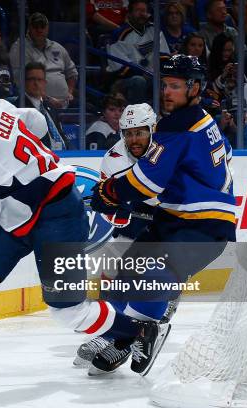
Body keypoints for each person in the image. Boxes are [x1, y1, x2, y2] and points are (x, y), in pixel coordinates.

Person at [0, 75, 154, 377]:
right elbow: (36, 121)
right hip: (17, 215)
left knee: (68, 310)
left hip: (59, 215)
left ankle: (137, 331)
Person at [84, 54, 236, 375]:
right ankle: (127, 338)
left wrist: (109, 193)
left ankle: (148, 329)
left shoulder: (177, 126)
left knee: (155, 272)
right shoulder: (202, 118)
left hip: (200, 225)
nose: (167, 91)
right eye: (165, 85)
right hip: (181, 217)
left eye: (176, 86)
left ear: (194, 87)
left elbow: (145, 181)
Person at [74, 103, 158, 369]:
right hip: (137, 213)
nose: (133, 139)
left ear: (153, 130)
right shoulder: (113, 158)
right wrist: (118, 215)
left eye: (140, 133)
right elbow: (106, 203)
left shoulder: (168, 150)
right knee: (111, 262)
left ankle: (152, 315)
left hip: (170, 212)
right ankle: (112, 327)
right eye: (128, 133)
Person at [106, 0, 170, 104]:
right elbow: (121, 68)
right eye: (138, 10)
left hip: (151, 77)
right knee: (139, 81)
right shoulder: (120, 34)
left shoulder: (155, 31)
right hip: (123, 81)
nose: (142, 14)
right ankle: (137, 117)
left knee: (167, 81)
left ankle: (163, 116)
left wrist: (154, 74)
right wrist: (145, 73)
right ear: (129, 14)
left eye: (144, 11)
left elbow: (164, 57)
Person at [9, 12, 78, 108]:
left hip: (65, 102)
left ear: (47, 28)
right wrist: (48, 99)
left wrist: (70, 92)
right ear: (29, 29)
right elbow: (22, 82)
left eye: (42, 26)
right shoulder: (20, 48)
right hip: (37, 102)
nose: (39, 30)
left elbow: (72, 73)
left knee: (93, 111)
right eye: (36, 27)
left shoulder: (57, 47)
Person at [13, 61, 69, 150]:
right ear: (24, 82)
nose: (36, 83)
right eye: (32, 79)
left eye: (39, 80)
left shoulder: (50, 107)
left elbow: (61, 134)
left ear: (45, 83)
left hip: (63, 156)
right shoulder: (18, 107)